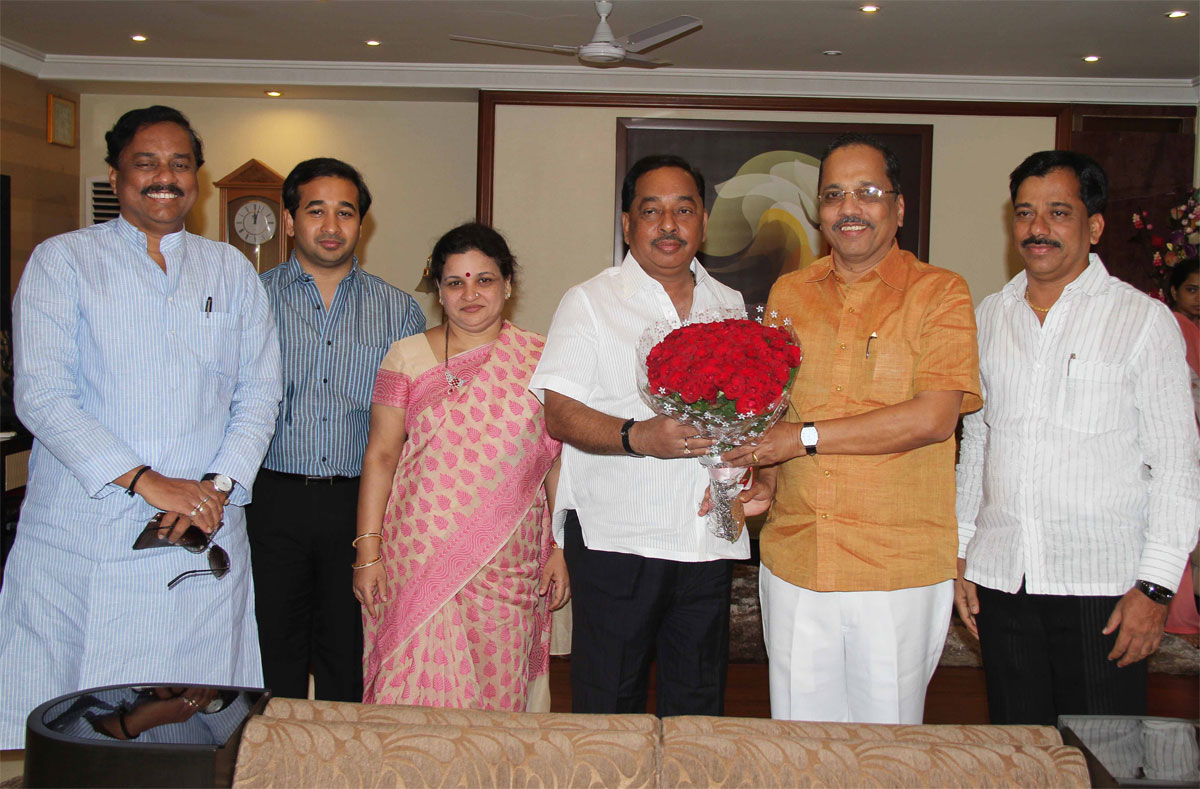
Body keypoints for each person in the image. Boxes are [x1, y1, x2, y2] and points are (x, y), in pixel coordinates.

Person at [0, 105, 281, 749]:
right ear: (115, 174)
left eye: (180, 163)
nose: (164, 177)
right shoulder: (63, 261)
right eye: (146, 162)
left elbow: (259, 392)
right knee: (81, 718)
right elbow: (42, 395)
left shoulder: (230, 270)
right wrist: (150, 483)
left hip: (205, 522)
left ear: (197, 178)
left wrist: (214, 487)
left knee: (200, 714)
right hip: (90, 527)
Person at [721, 134, 981, 724]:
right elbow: (779, 411)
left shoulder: (940, 292)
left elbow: (934, 416)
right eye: (834, 194)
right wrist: (766, 475)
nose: (850, 208)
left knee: (885, 747)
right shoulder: (791, 292)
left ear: (898, 207)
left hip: (895, 565)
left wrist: (802, 438)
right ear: (819, 210)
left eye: (868, 192)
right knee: (799, 740)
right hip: (796, 556)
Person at [955, 151, 1200, 725]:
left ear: (1093, 226)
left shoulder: (1143, 321)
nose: (1037, 229)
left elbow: (1178, 464)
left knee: (1103, 757)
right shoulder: (989, 316)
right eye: (1024, 214)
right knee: (1023, 753)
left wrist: (1157, 588)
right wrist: (962, 554)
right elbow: (979, 444)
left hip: (1105, 588)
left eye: (1058, 213)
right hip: (1003, 579)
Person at [531, 154, 749, 717]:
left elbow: (749, 416)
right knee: (609, 707)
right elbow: (559, 412)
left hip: (705, 536)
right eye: (651, 211)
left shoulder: (730, 307)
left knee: (698, 709)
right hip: (616, 541)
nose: (668, 225)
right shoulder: (590, 302)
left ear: (703, 222)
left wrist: (750, 472)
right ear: (627, 224)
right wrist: (637, 436)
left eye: (684, 210)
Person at [354, 223, 567, 711]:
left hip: (508, 562)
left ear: (507, 284)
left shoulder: (542, 360)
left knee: (497, 698)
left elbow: (555, 464)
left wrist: (559, 547)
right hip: (416, 554)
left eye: (484, 280)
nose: (470, 294)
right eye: (455, 282)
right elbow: (382, 456)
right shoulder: (405, 356)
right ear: (439, 290)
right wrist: (368, 553)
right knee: (409, 696)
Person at [250, 158, 425, 702]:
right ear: (289, 220)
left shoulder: (399, 312)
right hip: (269, 499)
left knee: (349, 651)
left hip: (361, 504)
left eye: (345, 213)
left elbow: (415, 424)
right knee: (268, 648)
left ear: (361, 224)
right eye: (315, 211)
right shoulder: (251, 298)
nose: (331, 227)